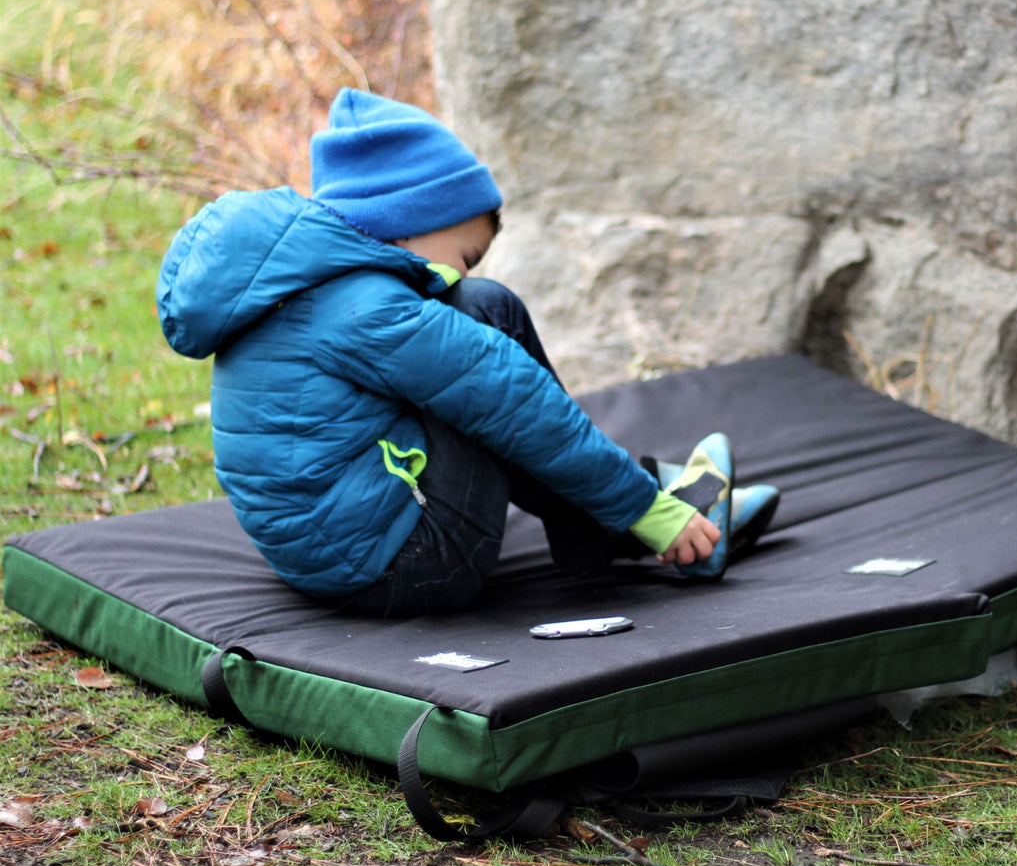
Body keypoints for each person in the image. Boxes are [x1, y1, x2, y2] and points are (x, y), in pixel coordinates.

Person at [157, 88, 774, 617]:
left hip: (337, 550)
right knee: (486, 313)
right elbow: (513, 402)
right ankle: (650, 516)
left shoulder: (303, 280)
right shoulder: (366, 310)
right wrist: (644, 510)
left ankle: (615, 520)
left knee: (474, 325)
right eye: (464, 252)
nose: (455, 272)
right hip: (407, 563)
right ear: (406, 221)